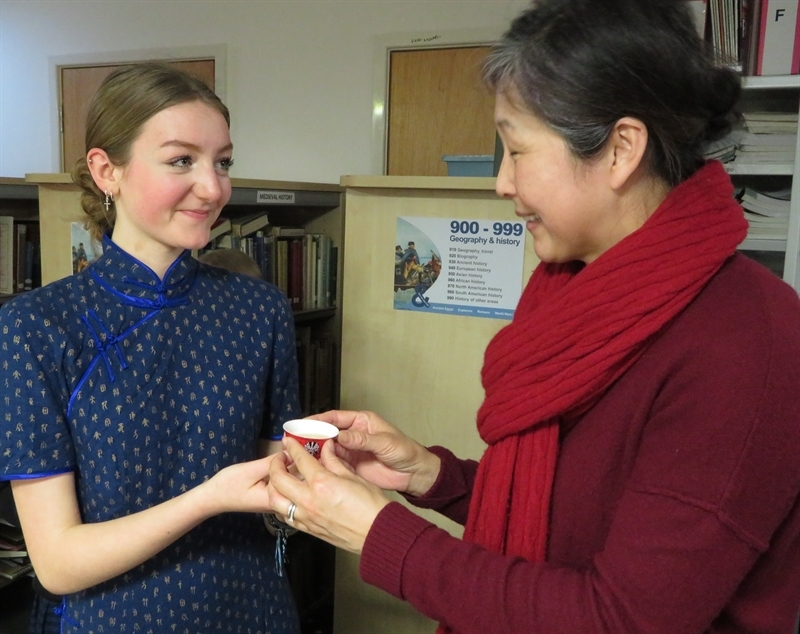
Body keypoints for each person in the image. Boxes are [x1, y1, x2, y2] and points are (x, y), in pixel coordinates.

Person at [264, 1, 800, 633]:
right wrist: (429, 475)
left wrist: (378, 533)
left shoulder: (746, 343)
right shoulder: (577, 289)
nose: (501, 182)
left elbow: (621, 618)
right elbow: (572, 514)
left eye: (516, 151)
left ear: (622, 149)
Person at [0, 63, 302, 634]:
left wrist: (312, 489)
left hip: (253, 610)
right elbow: (58, 564)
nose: (213, 188)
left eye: (223, 162)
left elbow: (276, 508)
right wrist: (208, 498)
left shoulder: (260, 311)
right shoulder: (36, 327)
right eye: (181, 160)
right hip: (112, 618)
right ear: (106, 169)